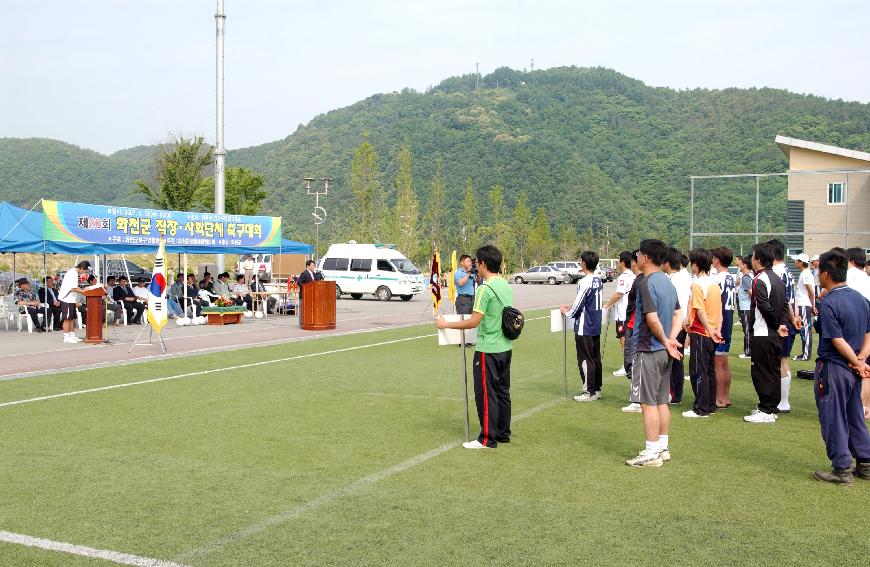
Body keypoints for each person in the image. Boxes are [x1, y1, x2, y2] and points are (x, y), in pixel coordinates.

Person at [436, 245, 513, 449]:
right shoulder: (505, 285)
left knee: (486, 393)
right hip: (505, 346)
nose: (475, 266)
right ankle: (503, 432)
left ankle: (487, 438)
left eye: (477, 262)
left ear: (484, 264)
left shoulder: (485, 289)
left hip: (488, 348)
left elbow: (473, 321)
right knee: (502, 391)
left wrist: (446, 324)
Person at [811, 249, 870, 484]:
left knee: (833, 416)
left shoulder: (829, 303)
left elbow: (836, 340)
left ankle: (842, 468)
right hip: (853, 368)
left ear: (825, 274)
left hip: (834, 367)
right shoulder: (860, 299)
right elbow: (868, 332)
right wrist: (862, 360)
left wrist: (857, 362)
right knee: (854, 414)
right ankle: (865, 462)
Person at [625, 239, 683, 467]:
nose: (636, 257)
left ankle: (651, 453)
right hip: (663, 351)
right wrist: (670, 339)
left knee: (647, 403)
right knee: (661, 402)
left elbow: (651, 318)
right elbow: (680, 315)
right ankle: (662, 447)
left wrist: (665, 340)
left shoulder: (646, 283)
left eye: (638, 253)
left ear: (646, 257)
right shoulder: (668, 282)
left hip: (648, 349)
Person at [745, 243, 789, 423]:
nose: (751, 259)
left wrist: (777, 324)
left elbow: (763, 305)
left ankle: (766, 410)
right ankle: (770, 407)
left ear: (759, 260)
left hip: (764, 332)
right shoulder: (777, 278)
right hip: (773, 333)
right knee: (772, 370)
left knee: (761, 371)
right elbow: (785, 304)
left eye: (753, 256)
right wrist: (783, 324)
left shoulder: (760, 279)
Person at [682, 249, 723, 418]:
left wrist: (706, 329)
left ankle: (701, 408)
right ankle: (710, 405)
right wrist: (716, 330)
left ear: (696, 265)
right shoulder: (714, 284)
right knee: (709, 371)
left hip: (702, 333)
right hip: (712, 332)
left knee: (698, 371)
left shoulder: (698, 284)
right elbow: (719, 312)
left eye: (692, 263)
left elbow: (699, 310)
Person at [561, 250, 603, 401]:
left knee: (585, 359)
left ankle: (588, 391)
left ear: (584, 263)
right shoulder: (598, 280)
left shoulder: (584, 282)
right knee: (595, 358)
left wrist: (566, 312)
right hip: (595, 324)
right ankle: (596, 389)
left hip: (585, 325)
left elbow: (578, 306)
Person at [769, 239, 798, 413]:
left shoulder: (776, 272)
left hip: (779, 320)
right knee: (783, 360)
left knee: (778, 361)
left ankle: (782, 401)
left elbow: (781, 300)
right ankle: (783, 400)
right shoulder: (787, 270)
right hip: (786, 318)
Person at [664, 248, 691, 405]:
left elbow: (678, 304)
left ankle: (674, 394)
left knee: (674, 360)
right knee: (676, 360)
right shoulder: (680, 277)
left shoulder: (677, 279)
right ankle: (674, 393)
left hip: (676, 325)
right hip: (679, 323)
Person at [711, 247, 735, 408]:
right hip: (729, 321)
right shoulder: (731, 278)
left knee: (717, 363)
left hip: (720, 322)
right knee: (724, 362)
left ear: (717, 260)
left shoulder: (718, 279)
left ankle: (719, 397)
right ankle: (725, 396)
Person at [605, 251, 636, 377]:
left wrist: (607, 304)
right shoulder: (633, 276)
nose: (617, 263)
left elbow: (619, 294)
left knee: (623, 339)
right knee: (627, 339)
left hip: (623, 314)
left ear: (623, 262)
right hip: (629, 313)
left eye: (618, 261)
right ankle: (630, 362)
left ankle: (626, 365)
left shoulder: (624, 277)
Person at [620, 251, 644, 413]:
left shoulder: (641, 281)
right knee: (634, 363)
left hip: (636, 327)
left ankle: (637, 400)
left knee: (633, 363)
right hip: (633, 325)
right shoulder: (639, 280)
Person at [57, 260, 90, 343]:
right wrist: (83, 291)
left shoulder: (74, 273)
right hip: (66, 299)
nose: (84, 272)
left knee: (72, 318)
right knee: (67, 319)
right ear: (82, 268)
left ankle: (72, 336)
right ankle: (66, 337)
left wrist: (82, 290)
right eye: (85, 270)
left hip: (71, 300)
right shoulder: (72, 273)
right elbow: (73, 288)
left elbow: (74, 288)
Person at [791, 253, 816, 362]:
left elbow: (811, 292)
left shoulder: (805, 274)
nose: (795, 262)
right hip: (803, 304)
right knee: (803, 329)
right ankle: (804, 353)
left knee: (805, 329)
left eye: (797, 261)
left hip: (804, 304)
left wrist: (812, 305)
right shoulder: (805, 273)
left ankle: (806, 355)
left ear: (801, 262)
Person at [736, 256, 754, 359]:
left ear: (745, 265)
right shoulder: (751, 275)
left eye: (741, 264)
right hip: (747, 306)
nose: (739, 265)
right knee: (749, 329)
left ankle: (748, 352)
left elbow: (751, 293)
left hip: (746, 307)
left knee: (747, 329)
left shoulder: (746, 277)